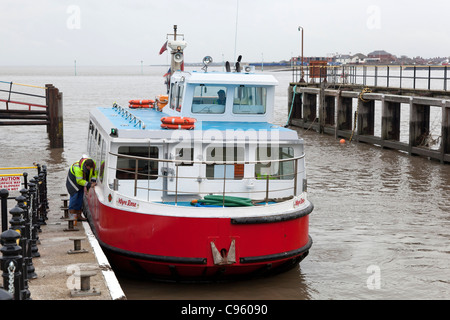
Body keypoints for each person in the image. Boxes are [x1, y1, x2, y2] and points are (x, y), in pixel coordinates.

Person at [66, 157, 97, 223]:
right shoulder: (78, 168)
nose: (90, 169)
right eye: (89, 168)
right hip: (73, 181)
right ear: (86, 165)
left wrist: (93, 180)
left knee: (80, 197)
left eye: (91, 168)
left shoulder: (93, 164)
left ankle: (78, 215)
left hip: (81, 180)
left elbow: (94, 172)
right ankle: (72, 217)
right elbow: (79, 181)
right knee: (74, 196)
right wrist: (89, 184)